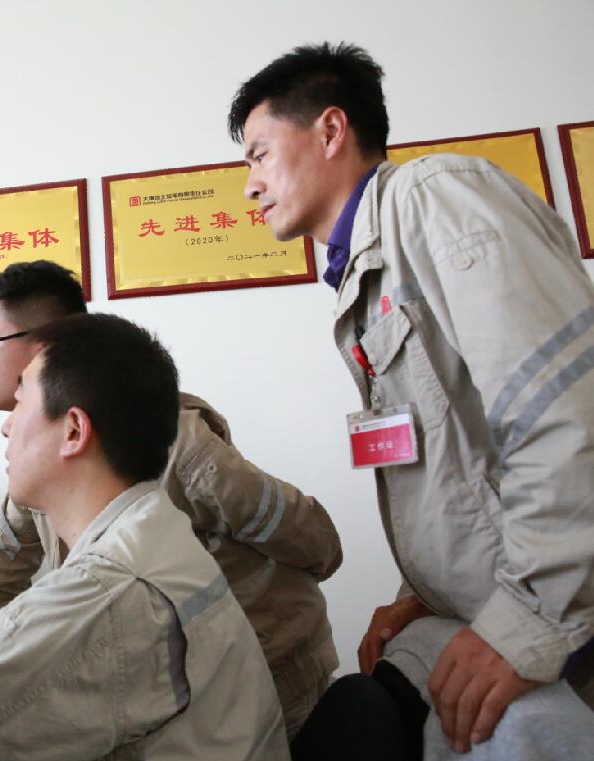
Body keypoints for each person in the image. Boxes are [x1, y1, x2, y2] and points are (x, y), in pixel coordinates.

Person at [228, 41, 594, 758]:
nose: (250, 185)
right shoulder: (365, 274)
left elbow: (565, 411)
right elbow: (451, 465)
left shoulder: (435, 199)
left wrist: (526, 620)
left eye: (259, 154)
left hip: (558, 623)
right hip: (497, 615)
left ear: (331, 130)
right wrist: (419, 591)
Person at [0, 314, 288, 760]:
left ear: (73, 431)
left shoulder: (108, 587)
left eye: (21, 403)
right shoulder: (155, 528)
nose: (6, 426)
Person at [0, 260, 340, 739]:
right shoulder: (41, 448)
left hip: (268, 676)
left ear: (45, 343)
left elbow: (314, 540)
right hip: (177, 684)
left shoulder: (173, 440)